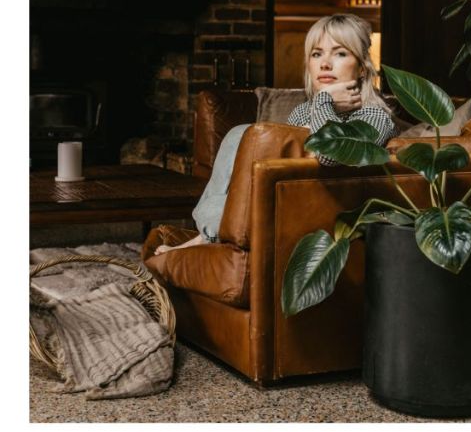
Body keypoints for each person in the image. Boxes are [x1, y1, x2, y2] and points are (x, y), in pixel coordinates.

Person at [155, 14, 395, 254]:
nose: (325, 63)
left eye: (340, 53)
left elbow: (329, 154)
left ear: (362, 68)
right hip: (283, 203)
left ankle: (209, 234)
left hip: (327, 217)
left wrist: (324, 100)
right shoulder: (303, 112)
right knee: (241, 134)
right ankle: (210, 231)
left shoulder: (375, 116)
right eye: (316, 53)